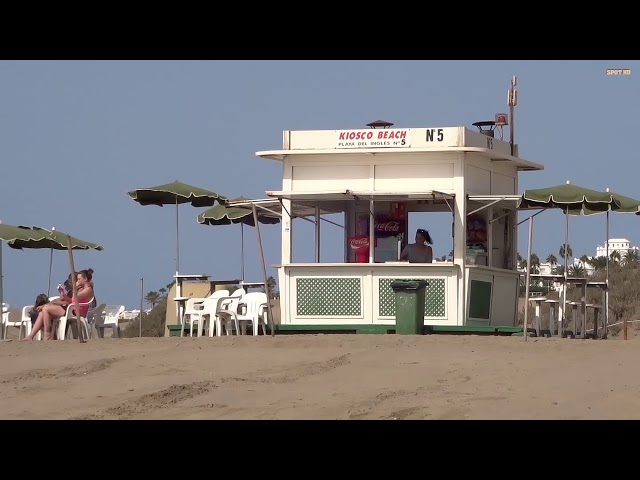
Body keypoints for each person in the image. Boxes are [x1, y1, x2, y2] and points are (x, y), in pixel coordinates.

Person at [22, 268, 95, 342]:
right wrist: (63, 293)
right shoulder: (82, 289)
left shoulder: (88, 290)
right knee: (42, 313)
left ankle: (47, 336)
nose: (78, 281)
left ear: (85, 279)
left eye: (79, 279)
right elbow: (71, 300)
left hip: (75, 311)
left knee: (46, 309)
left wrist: (75, 287)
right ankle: (31, 336)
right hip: (71, 309)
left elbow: (74, 297)